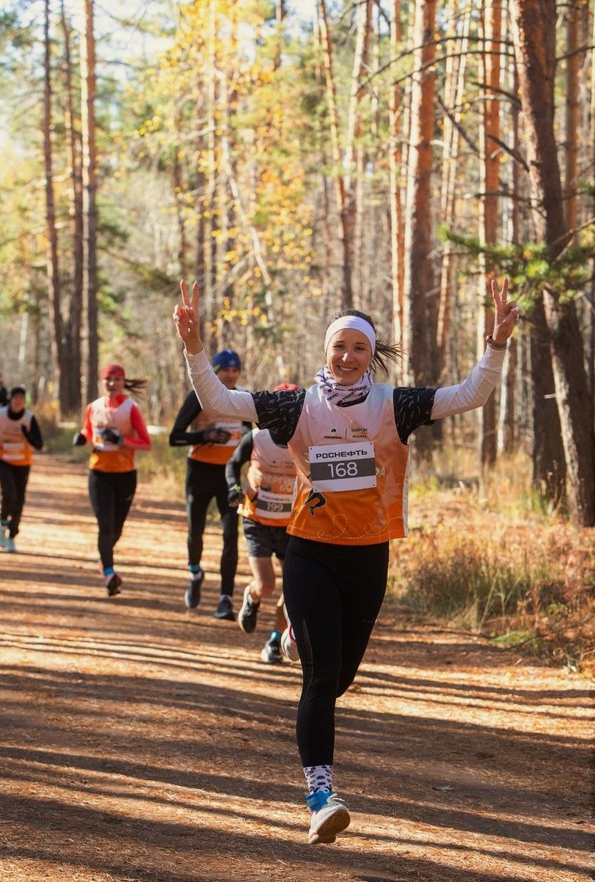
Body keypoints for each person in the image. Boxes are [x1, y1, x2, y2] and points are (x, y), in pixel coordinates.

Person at [173, 277, 519, 846]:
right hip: (309, 552)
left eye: (359, 347)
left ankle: (294, 643)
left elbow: (468, 395)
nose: (349, 356)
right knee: (321, 676)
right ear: (326, 352)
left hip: (368, 557)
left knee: (340, 678)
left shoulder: (395, 404)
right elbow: (219, 403)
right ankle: (320, 795)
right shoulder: (296, 406)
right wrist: (193, 348)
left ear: (371, 355)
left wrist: (496, 345)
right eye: (340, 346)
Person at [169, 349, 251, 621]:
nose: (230, 374)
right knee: (196, 531)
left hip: (228, 477)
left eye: (234, 370)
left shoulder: (242, 399)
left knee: (230, 536)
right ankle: (195, 572)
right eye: (225, 370)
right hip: (200, 473)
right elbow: (175, 437)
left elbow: (254, 434)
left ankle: (225, 598)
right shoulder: (198, 396)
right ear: (214, 371)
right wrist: (206, 435)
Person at [225, 386, 300, 664]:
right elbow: (232, 465)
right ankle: (253, 597)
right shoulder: (255, 438)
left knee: (294, 589)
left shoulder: (305, 440)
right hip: (256, 520)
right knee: (267, 584)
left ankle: (273, 640)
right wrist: (233, 487)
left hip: (292, 525)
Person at [73, 364, 152, 597]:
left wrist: (121, 440)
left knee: (116, 528)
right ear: (102, 381)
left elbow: (146, 443)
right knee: (105, 525)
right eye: (108, 379)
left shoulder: (131, 409)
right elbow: (88, 431)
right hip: (99, 473)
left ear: (123, 382)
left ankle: (103, 558)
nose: (112, 383)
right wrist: (81, 437)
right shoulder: (93, 407)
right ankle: (109, 573)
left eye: (117, 379)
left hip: (125, 475)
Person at [0, 385, 44, 553]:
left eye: (21, 398)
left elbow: (39, 444)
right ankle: (2, 523)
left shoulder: (29, 417)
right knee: (9, 494)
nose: (18, 401)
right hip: (3, 461)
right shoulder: (0, 414)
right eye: (15, 398)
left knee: (19, 501)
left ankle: (12, 536)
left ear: (24, 400)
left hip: (22, 464)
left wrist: (26, 434)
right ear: (11, 400)